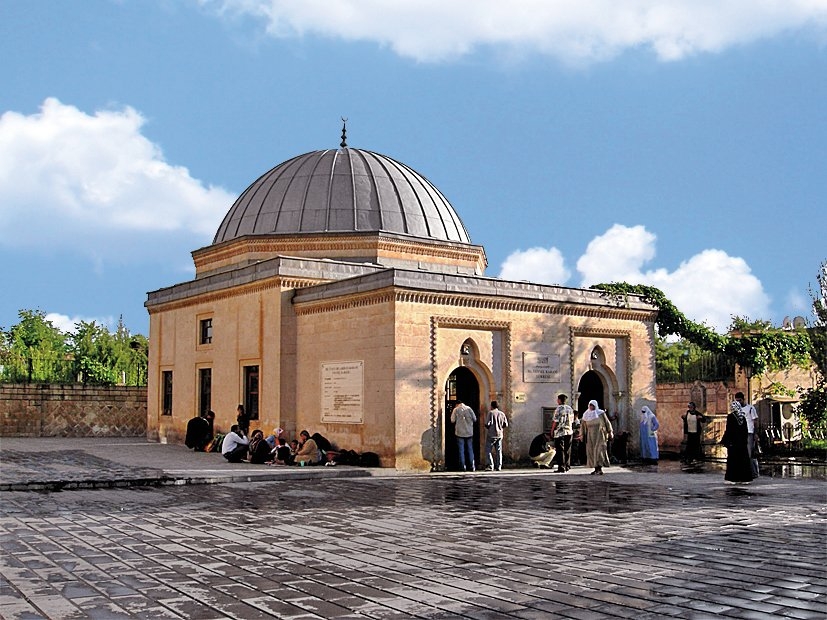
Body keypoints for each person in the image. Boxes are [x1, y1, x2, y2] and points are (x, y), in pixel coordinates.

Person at [721, 400, 753, 483]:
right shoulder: (743, 417)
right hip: (742, 442)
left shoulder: (731, 417)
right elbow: (745, 430)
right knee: (743, 460)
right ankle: (745, 478)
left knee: (733, 460)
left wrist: (726, 440)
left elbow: (729, 430)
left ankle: (732, 478)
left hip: (734, 443)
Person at [581, 400, 613, 475]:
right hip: (590, 436)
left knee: (599, 451)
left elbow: (607, 422)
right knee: (592, 451)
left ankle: (599, 468)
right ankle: (595, 468)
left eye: (592, 405)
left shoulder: (601, 413)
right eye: (590, 405)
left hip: (600, 434)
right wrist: (582, 434)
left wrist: (610, 431)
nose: (591, 407)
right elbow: (582, 426)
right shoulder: (586, 414)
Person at [734, 392, 759, 478]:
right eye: (736, 401)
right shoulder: (737, 410)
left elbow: (755, 421)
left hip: (749, 432)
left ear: (743, 399)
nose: (738, 402)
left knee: (749, 453)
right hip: (741, 433)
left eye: (739, 400)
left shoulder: (750, 408)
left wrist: (755, 433)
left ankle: (753, 472)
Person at [450, 399, 477, 472]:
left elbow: (452, 420)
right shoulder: (469, 409)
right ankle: (472, 466)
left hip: (460, 432)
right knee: (470, 449)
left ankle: (462, 467)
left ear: (457, 404)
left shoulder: (456, 409)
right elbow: (475, 419)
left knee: (461, 450)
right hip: (469, 432)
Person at [550, 394, 574, 473]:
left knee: (560, 450)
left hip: (560, 432)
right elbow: (572, 420)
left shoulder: (558, 409)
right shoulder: (570, 408)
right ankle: (567, 465)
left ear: (559, 400)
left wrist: (552, 430)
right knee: (567, 449)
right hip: (569, 431)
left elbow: (555, 421)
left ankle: (561, 466)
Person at [484, 400, 508, 471]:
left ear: (491, 406)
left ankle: (490, 465)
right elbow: (505, 424)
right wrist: (500, 428)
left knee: (488, 450)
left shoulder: (490, 413)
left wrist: (490, 428)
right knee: (499, 451)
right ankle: (499, 466)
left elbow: (487, 423)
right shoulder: (502, 414)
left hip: (491, 434)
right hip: (500, 434)